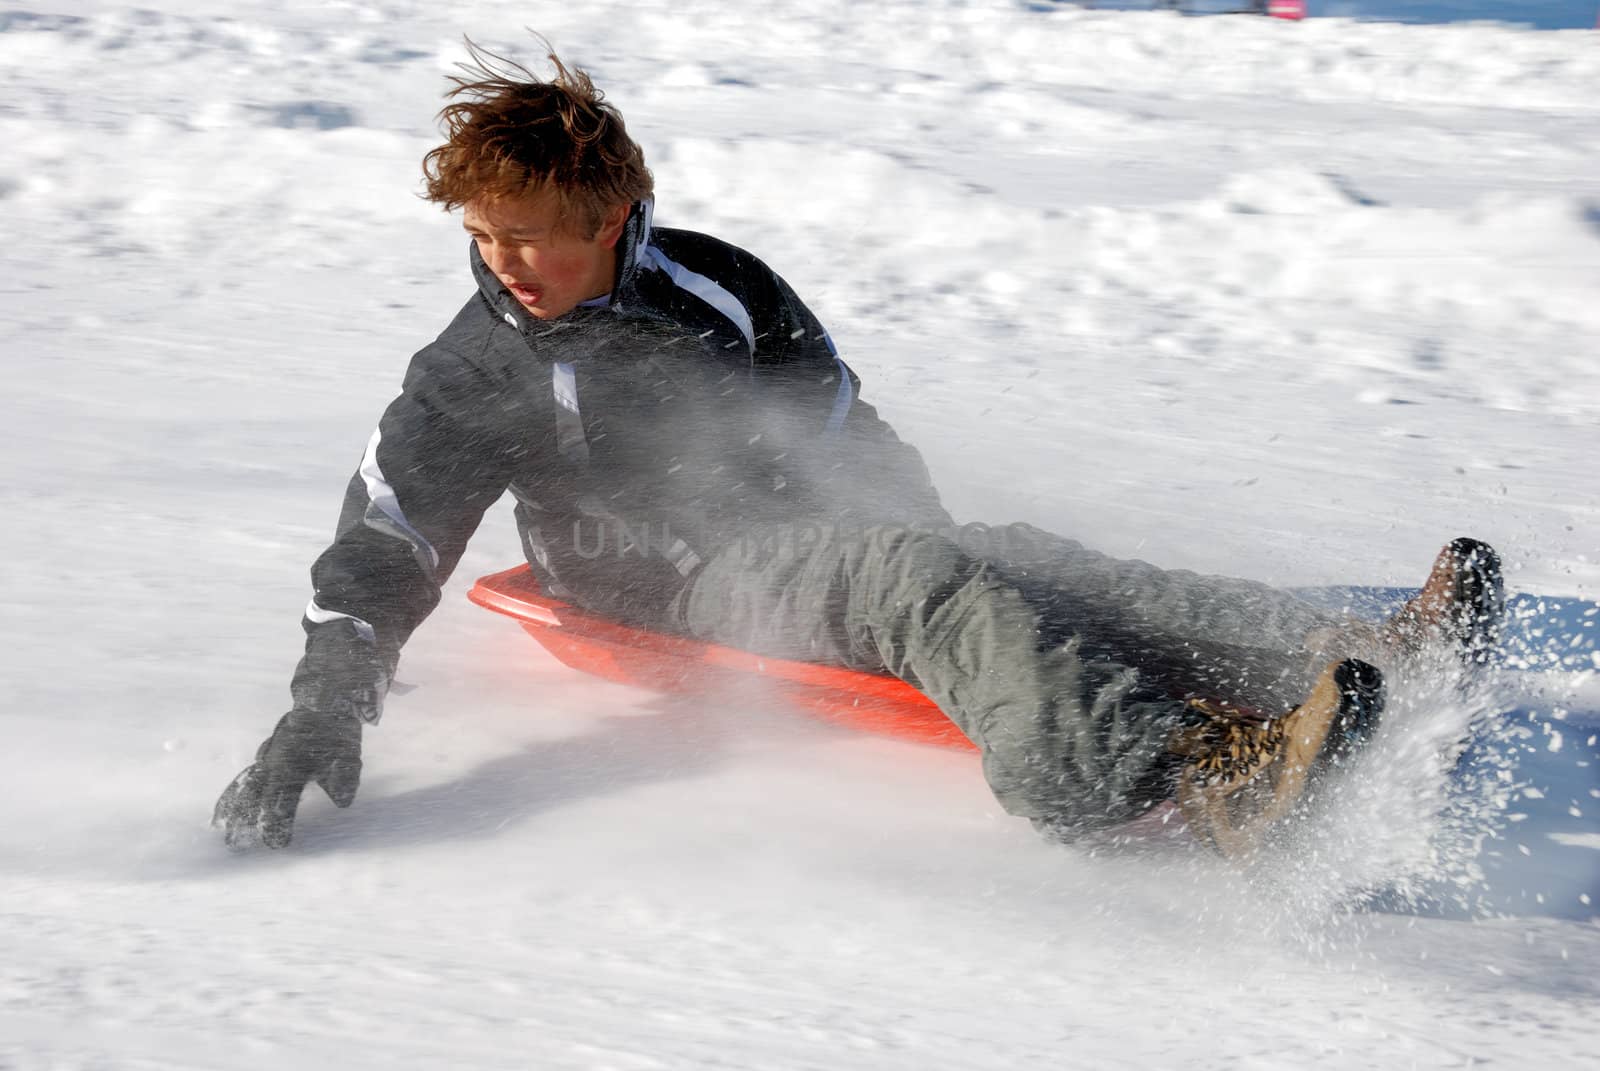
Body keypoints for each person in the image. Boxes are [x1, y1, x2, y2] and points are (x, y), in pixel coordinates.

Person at [214, 44, 1505, 859]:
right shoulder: (472, 374)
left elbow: (833, 424)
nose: (506, 264)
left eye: (535, 235)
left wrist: (928, 541)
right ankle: (1170, 783)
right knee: (916, 586)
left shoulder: (719, 290)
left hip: (790, 540)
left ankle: (1362, 658)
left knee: (1009, 560)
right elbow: (387, 534)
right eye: (485, 235)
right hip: (656, 584)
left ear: (614, 215)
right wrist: (321, 706)